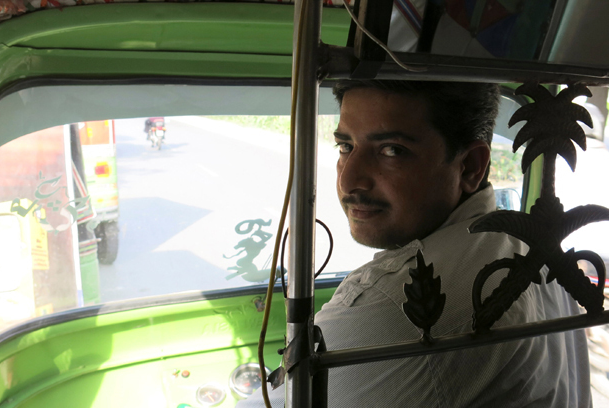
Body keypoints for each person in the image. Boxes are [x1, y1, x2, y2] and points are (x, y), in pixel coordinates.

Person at [241, 80, 590, 407]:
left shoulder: (402, 302)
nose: (349, 179)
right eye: (346, 146)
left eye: (392, 150)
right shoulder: (530, 246)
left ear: (469, 167)